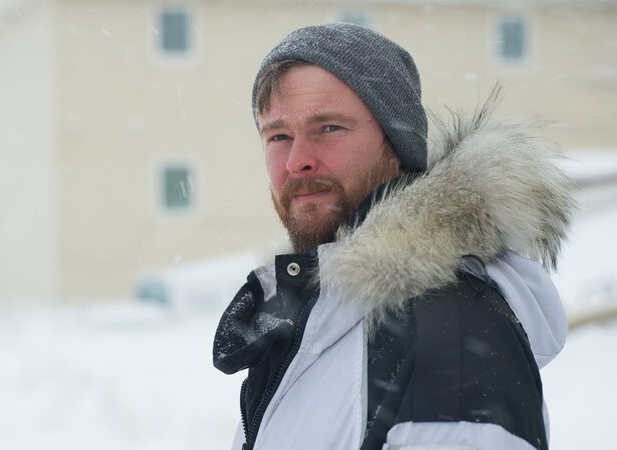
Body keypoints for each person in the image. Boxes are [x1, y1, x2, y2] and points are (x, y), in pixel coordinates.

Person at [212, 23, 573, 450]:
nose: (297, 161)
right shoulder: (321, 322)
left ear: (397, 144)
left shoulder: (445, 327)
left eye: (329, 128)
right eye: (278, 135)